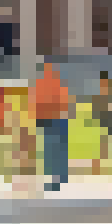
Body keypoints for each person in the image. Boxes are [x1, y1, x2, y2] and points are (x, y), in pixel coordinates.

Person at [32, 62, 75, 191]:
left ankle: (57, 179)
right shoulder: (58, 82)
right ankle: (60, 177)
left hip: (53, 119)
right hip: (56, 119)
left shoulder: (47, 82)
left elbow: (39, 100)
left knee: (53, 150)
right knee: (56, 149)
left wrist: (39, 117)